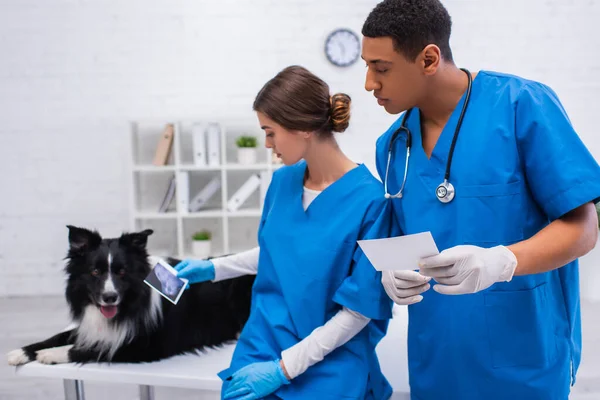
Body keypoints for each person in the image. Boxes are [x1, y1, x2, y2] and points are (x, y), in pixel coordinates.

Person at [360, 1, 600, 399]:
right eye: (367, 67)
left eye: (381, 68)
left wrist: (502, 261)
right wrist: (394, 272)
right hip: (436, 364)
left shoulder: (520, 105)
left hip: (525, 365)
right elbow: (408, 238)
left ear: (429, 59)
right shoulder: (393, 146)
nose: (369, 83)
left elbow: (583, 228)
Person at [175, 65, 395, 399]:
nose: (266, 143)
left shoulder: (371, 202)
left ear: (303, 127)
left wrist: (283, 370)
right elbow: (283, 253)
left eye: (270, 131)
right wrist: (213, 268)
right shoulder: (282, 182)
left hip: (331, 354)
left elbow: (358, 311)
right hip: (263, 342)